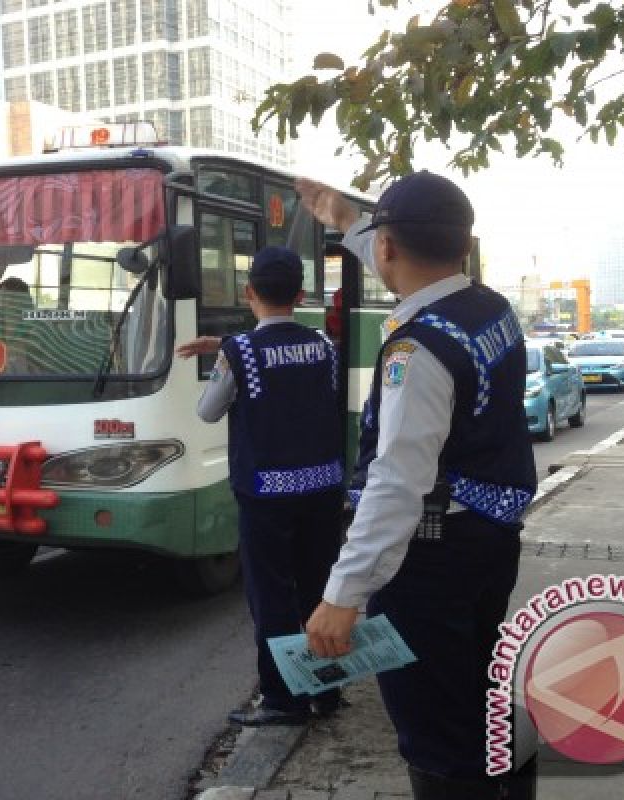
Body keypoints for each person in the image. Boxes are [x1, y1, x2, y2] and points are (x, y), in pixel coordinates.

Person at [296, 172, 537, 798]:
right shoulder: (488, 308)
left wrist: (344, 593)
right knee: (474, 700)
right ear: (466, 244)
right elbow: (409, 267)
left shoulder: (417, 352)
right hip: (489, 541)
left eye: (379, 240)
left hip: (433, 562)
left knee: (436, 733)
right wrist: (352, 223)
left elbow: (396, 483)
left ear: (388, 248)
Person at [177, 246, 345, 726]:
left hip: (266, 495)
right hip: (323, 488)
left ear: (249, 292)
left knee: (272, 596)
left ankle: (283, 700)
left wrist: (224, 354)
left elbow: (209, 411)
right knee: (320, 589)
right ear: (301, 294)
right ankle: (327, 690)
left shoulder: (241, 352)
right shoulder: (324, 346)